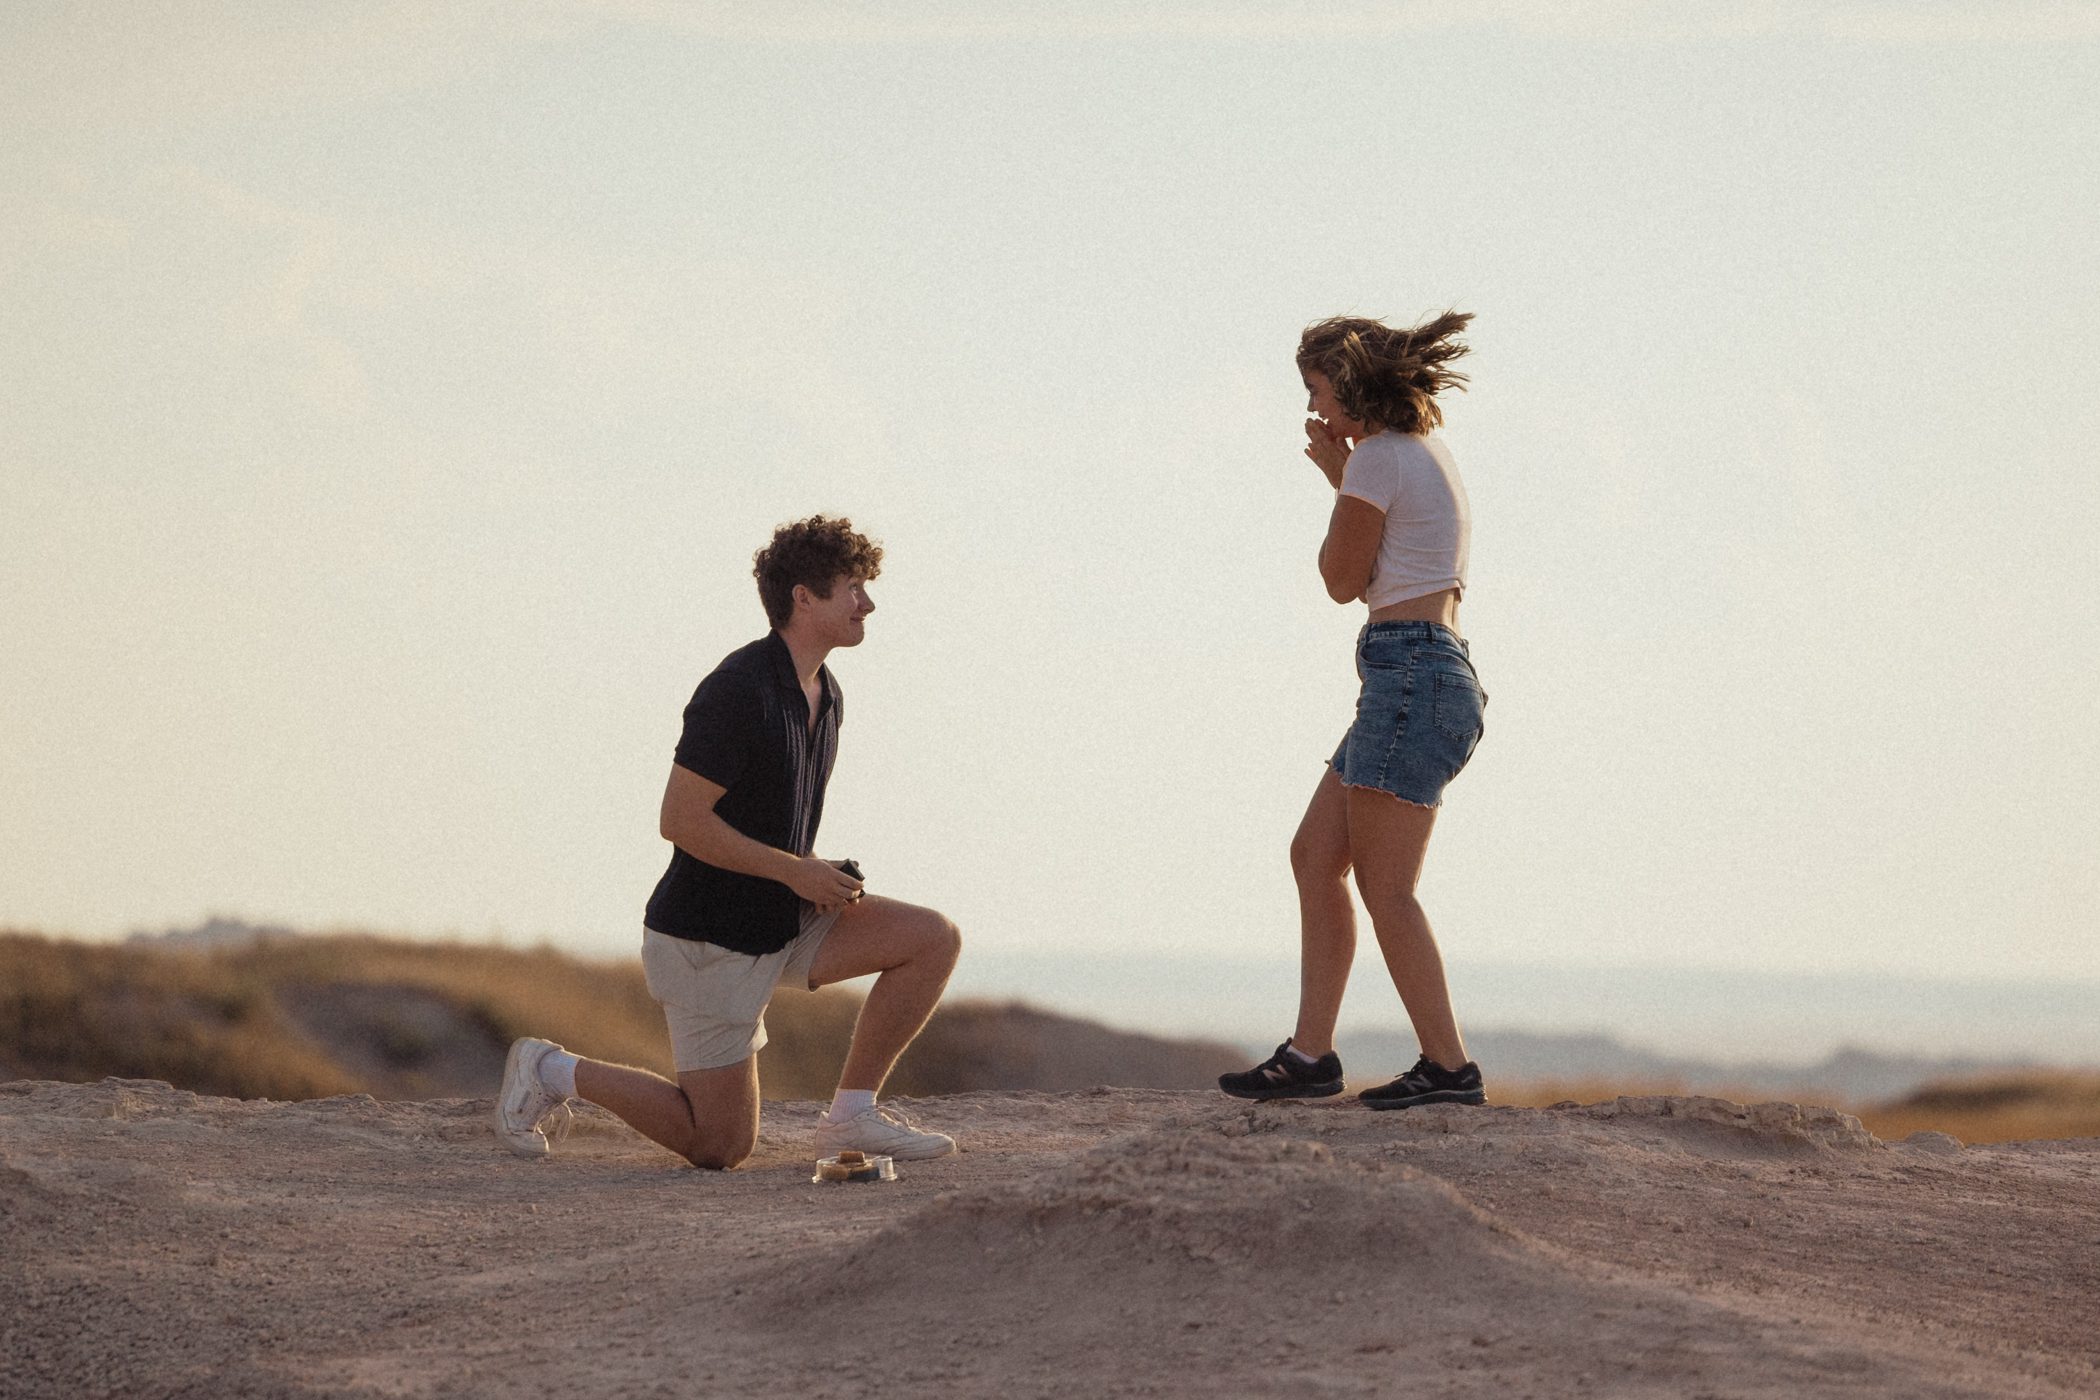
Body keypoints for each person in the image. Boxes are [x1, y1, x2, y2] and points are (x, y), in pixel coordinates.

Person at [495, 515, 962, 1168]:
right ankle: (548, 1069)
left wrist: (810, 871)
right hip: (706, 939)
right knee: (719, 1146)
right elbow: (681, 821)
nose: (868, 603)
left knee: (931, 938)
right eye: (853, 587)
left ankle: (851, 1118)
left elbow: (764, 822)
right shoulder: (737, 690)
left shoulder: (826, 694)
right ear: (804, 597)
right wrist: (793, 871)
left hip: (780, 916)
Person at [1219, 311, 1490, 1110]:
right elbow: (1391, 565)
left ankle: (1448, 1068)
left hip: (1409, 675)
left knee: (1386, 886)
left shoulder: (1376, 458)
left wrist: (1338, 479)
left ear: (1353, 387)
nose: (1314, 410)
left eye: (1318, 391)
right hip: (1420, 675)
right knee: (1315, 856)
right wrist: (1347, 477)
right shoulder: (1417, 455)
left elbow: (1342, 579)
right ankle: (1311, 1056)